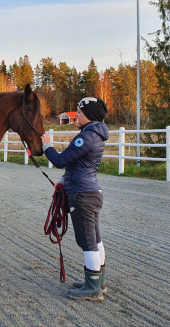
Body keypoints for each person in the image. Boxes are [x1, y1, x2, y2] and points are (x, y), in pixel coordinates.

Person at [41, 97, 109, 302]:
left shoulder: (87, 137)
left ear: (88, 114)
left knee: (87, 241)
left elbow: (60, 160)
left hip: (81, 195)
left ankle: (92, 288)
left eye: (79, 111)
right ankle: (97, 281)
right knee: (95, 238)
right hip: (90, 192)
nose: (76, 115)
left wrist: (46, 146)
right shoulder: (95, 134)